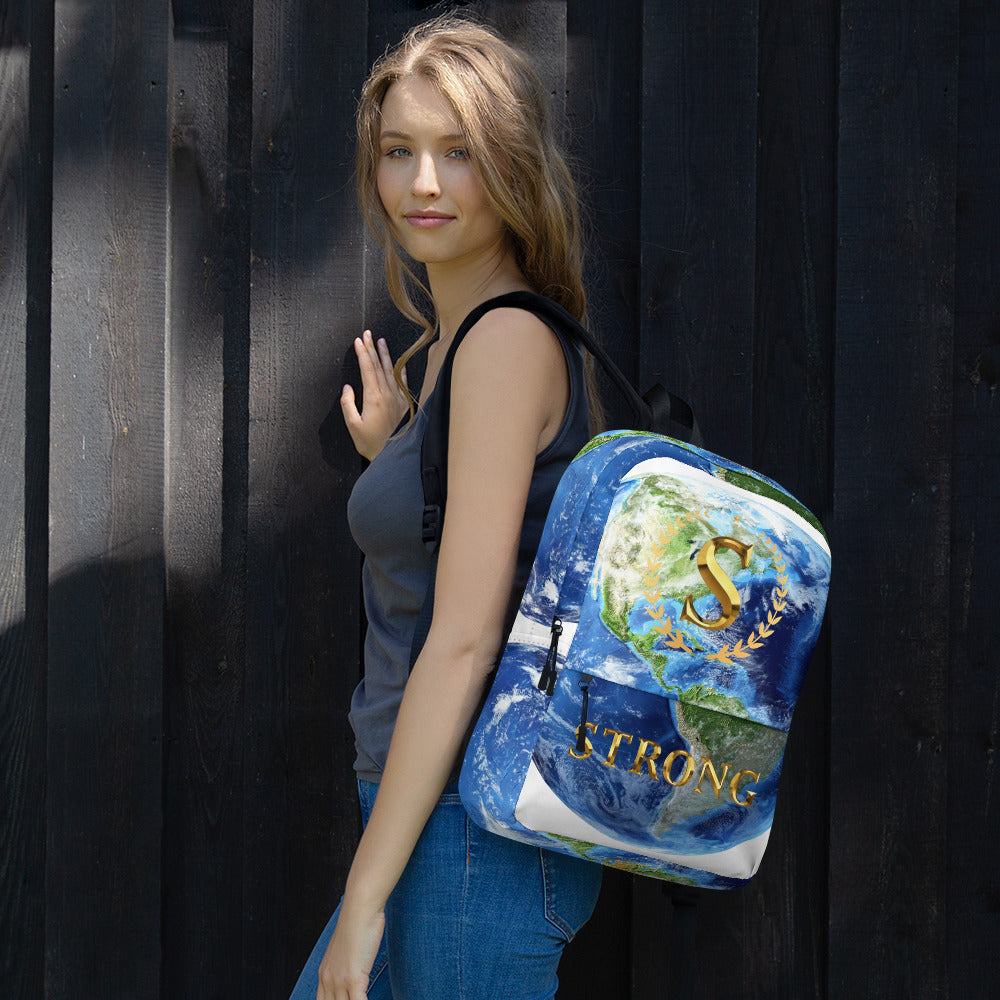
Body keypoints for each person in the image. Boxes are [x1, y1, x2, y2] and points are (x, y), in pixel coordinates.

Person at [290, 15, 603, 1000]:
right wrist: (399, 457)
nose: (422, 182)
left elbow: (465, 641)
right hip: (433, 818)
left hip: (470, 832)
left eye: (457, 152)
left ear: (511, 165)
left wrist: (365, 897)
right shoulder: (455, 346)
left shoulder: (503, 343)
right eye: (399, 152)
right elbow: (462, 549)